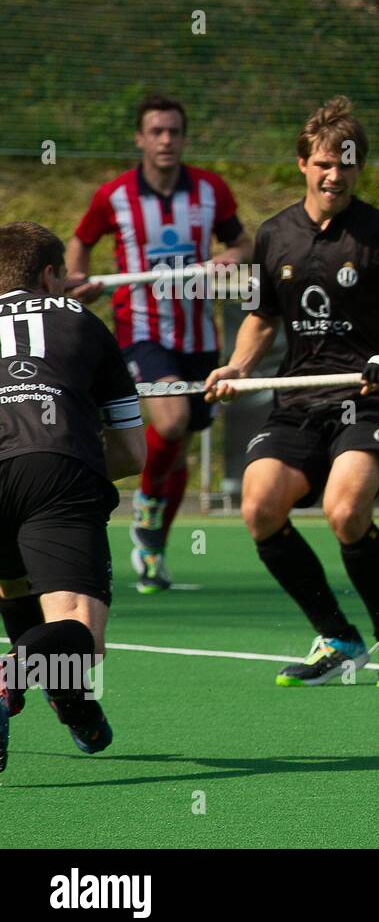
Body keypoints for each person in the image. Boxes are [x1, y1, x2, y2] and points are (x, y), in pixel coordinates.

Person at [205, 96, 379, 687]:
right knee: (259, 508)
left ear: (359, 168)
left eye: (347, 163)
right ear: (303, 164)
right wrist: (236, 366)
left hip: (372, 397)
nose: (335, 174)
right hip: (299, 400)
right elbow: (262, 316)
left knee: (345, 511)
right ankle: (338, 636)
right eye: (324, 162)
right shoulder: (274, 236)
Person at [65, 94, 253, 594]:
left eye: (174, 131)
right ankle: (145, 499)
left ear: (183, 138)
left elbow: (243, 243)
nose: (166, 140)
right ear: (140, 139)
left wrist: (230, 259)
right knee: (170, 421)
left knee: (181, 441)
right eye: (156, 131)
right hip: (142, 330)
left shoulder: (211, 191)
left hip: (199, 335)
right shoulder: (115, 196)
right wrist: (77, 277)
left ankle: (152, 548)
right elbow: (82, 240)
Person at [0, 222, 147, 773]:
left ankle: (74, 707)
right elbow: (132, 453)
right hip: (54, 466)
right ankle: (10, 676)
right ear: (49, 274)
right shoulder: (84, 321)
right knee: (79, 630)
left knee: (14, 582)